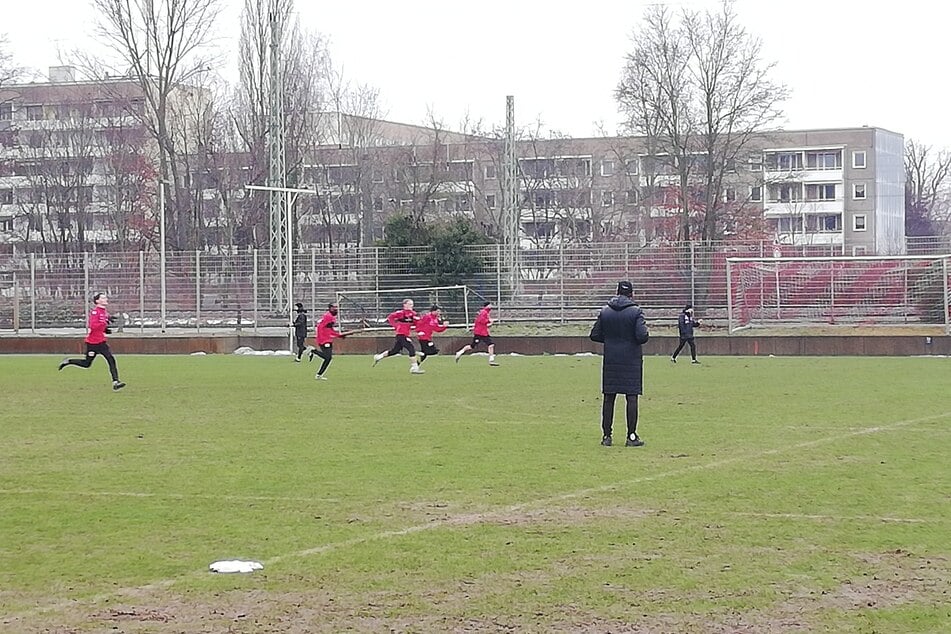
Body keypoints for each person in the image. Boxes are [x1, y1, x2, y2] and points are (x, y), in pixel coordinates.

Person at [589, 281, 649, 447]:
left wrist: (610, 340)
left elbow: (594, 335)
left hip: (611, 359)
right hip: (631, 360)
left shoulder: (605, 311)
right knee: (631, 397)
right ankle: (631, 436)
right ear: (631, 294)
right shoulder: (636, 312)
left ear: (617, 292)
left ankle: (607, 436)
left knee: (609, 398)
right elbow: (642, 336)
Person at [58, 292, 126, 391]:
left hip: (101, 342)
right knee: (86, 364)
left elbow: (102, 325)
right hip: (92, 343)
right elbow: (93, 326)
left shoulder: (104, 312)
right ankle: (68, 361)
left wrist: (106, 328)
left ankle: (116, 382)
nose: (106, 299)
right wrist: (105, 323)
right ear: (97, 301)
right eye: (103, 298)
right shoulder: (95, 312)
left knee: (111, 360)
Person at [373, 298, 424, 374]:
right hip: (401, 334)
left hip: (405, 335)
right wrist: (395, 325)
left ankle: (379, 357)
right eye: (409, 304)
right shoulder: (400, 313)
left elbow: (417, 323)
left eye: (412, 304)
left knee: (394, 351)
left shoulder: (413, 314)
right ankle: (414, 368)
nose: (411, 306)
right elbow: (390, 317)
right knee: (411, 348)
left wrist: (419, 328)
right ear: (404, 305)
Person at [310, 302, 348, 380]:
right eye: (334, 307)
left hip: (327, 339)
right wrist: (322, 339)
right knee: (328, 357)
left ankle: (319, 375)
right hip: (324, 340)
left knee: (328, 358)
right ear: (330, 308)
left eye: (337, 307)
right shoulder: (328, 317)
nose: (336, 309)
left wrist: (339, 335)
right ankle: (313, 351)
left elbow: (330, 330)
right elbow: (321, 328)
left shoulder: (331, 317)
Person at [454, 301, 499, 366]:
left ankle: (491, 360)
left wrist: (490, 323)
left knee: (491, 345)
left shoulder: (485, 313)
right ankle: (459, 352)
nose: (491, 306)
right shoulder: (484, 312)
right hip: (479, 333)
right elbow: (481, 321)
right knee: (473, 346)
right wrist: (490, 321)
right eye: (490, 305)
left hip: (483, 332)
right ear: (486, 306)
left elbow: (481, 323)